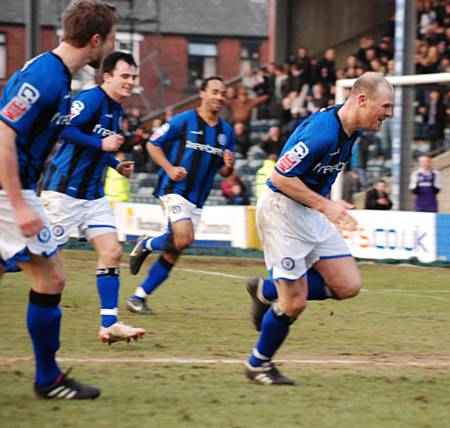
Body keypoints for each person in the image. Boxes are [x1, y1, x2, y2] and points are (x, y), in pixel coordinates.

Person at [243, 72, 393, 385]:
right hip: (282, 212)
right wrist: (327, 206)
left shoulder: (352, 130)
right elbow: (280, 178)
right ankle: (259, 364)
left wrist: (323, 207)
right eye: (386, 106)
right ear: (362, 100)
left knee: (347, 286)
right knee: (293, 303)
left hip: (310, 211)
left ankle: (266, 289)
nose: (389, 113)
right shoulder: (322, 133)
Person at [0, 0, 117, 399]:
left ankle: (48, 377)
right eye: (112, 39)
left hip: (14, 189)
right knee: (51, 277)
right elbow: (3, 134)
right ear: (96, 39)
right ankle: (48, 379)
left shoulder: (57, 74)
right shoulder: (46, 77)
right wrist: (17, 202)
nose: (112, 47)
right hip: (6, 191)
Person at [40, 51, 145, 345]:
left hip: (93, 195)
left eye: (133, 77)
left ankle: (109, 324)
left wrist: (116, 163)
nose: (130, 82)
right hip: (64, 193)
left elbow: (100, 147)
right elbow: (62, 128)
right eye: (124, 76)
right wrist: (102, 143)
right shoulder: (90, 99)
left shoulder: (117, 108)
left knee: (111, 252)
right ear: (107, 76)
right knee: (37, 257)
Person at [126, 76, 235, 314]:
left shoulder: (226, 131)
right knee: (184, 239)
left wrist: (229, 165)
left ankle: (138, 298)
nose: (219, 97)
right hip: (175, 191)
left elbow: (225, 172)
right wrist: (169, 168)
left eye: (223, 93)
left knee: (175, 250)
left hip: (198, 198)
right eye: (214, 91)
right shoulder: (183, 120)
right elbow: (152, 144)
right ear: (203, 94)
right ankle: (147, 243)